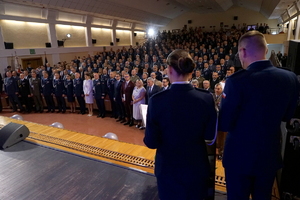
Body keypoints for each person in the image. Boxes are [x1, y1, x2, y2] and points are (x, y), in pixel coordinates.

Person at [219, 31, 300, 200]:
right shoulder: (290, 78)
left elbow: (225, 123)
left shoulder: (236, 81)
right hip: (268, 156)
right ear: (267, 50)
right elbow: (287, 116)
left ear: (242, 52)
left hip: (239, 158)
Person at [144, 49, 217, 200]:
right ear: (190, 71)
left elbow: (151, 142)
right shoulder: (206, 98)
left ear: (169, 69)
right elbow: (210, 136)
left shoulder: (157, 100)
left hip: (168, 169)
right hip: (196, 167)